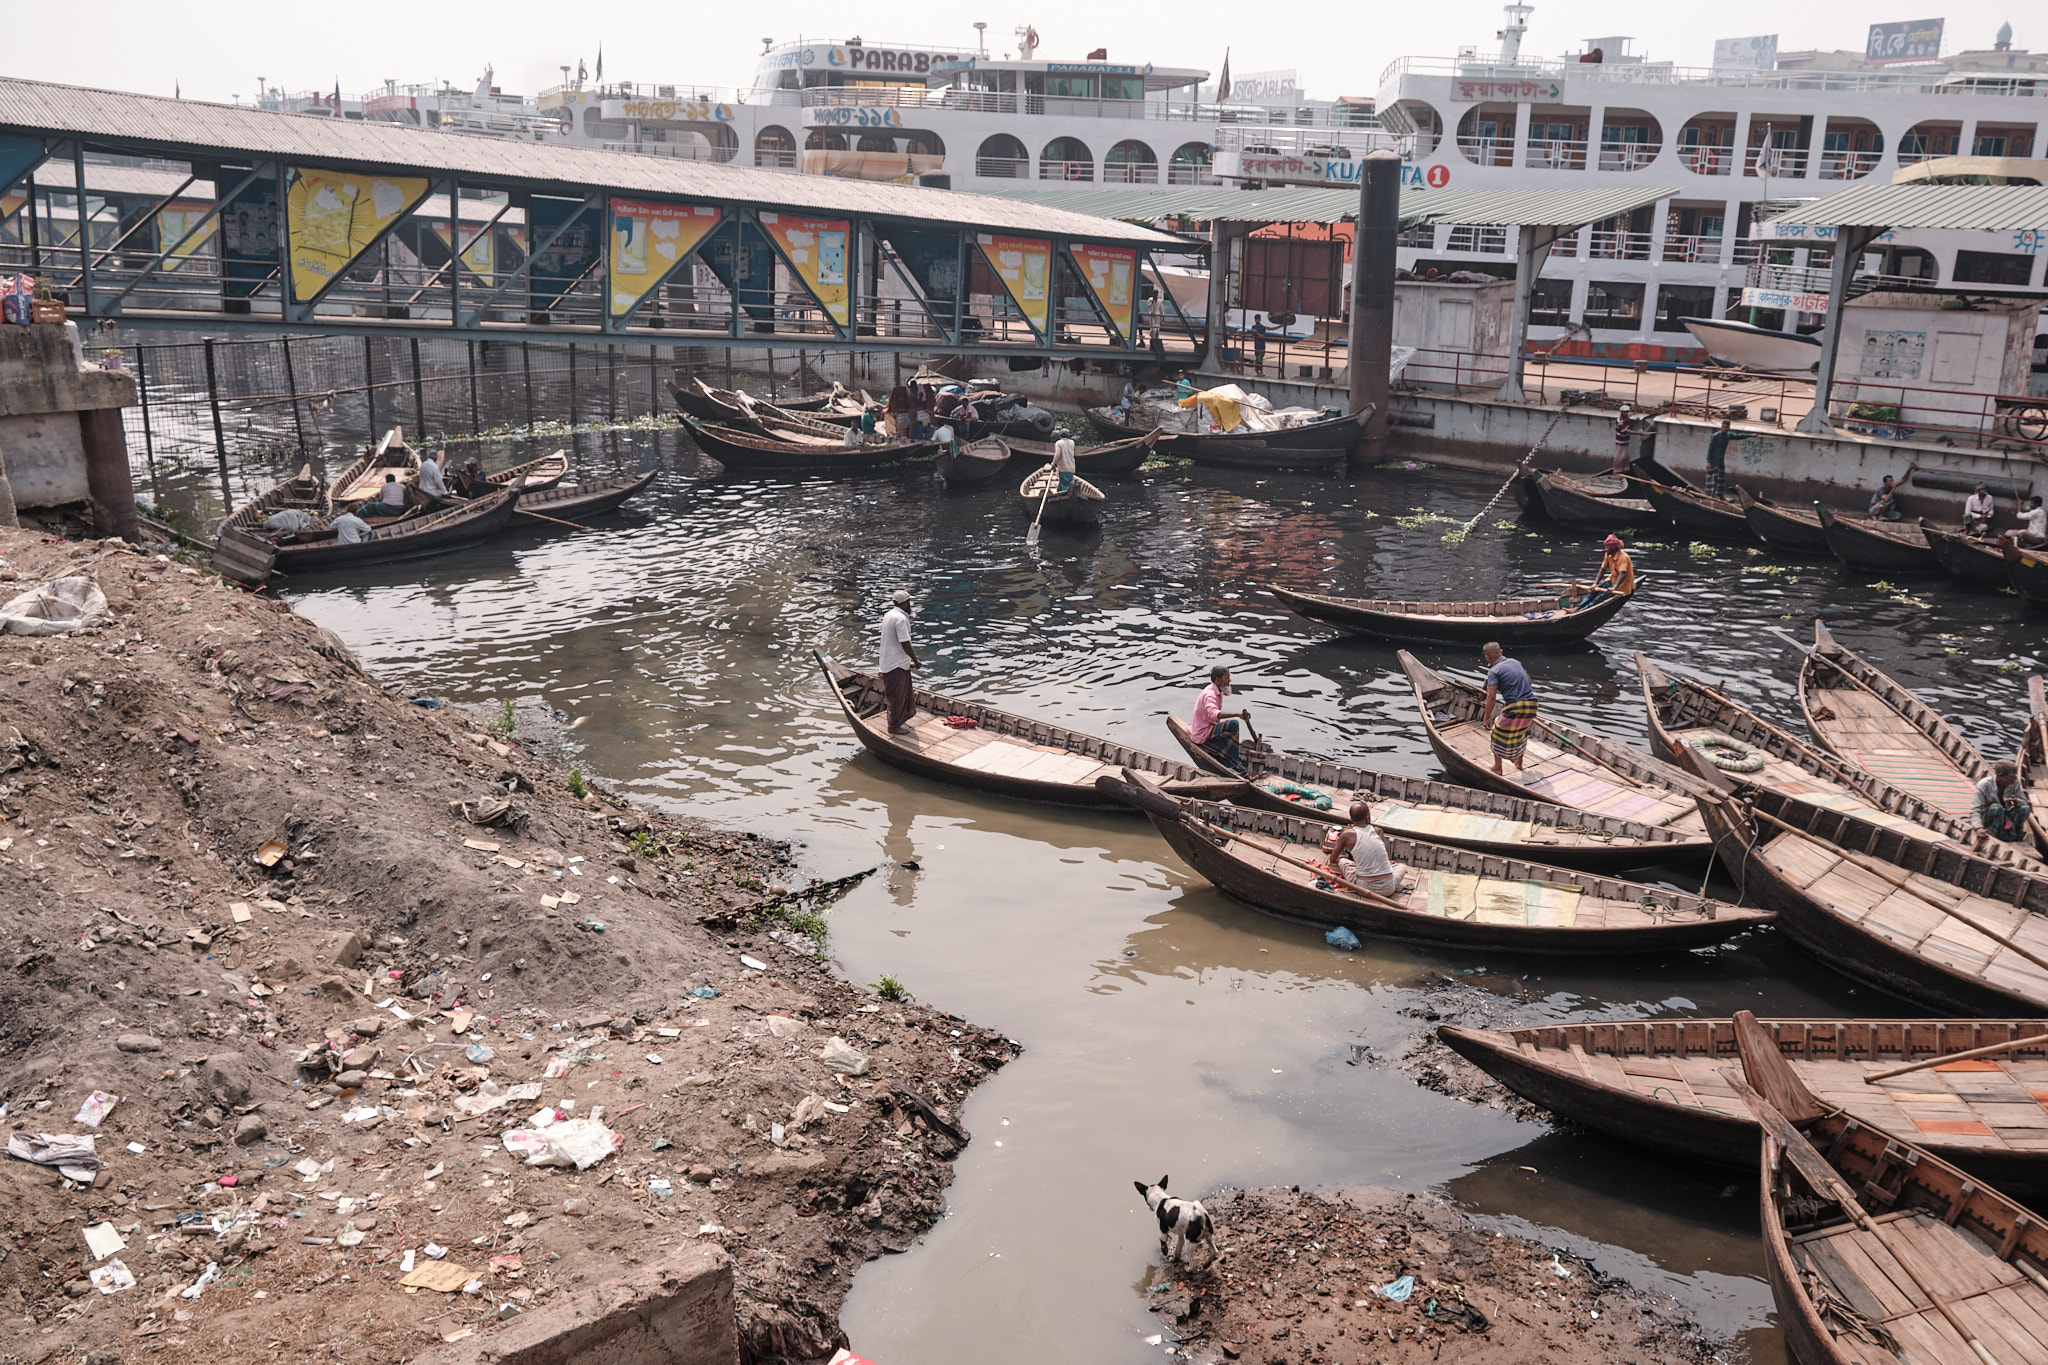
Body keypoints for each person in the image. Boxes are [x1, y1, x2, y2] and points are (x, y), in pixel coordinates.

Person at [1479, 642, 1539, 777]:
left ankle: (1497, 767)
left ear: (1488, 657)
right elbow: (1529, 682)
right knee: (1521, 731)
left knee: (1496, 732)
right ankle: (1519, 762)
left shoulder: (1493, 671)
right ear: (1501, 652)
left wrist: (1486, 718)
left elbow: (1491, 697)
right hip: (1532, 704)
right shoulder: (1515, 662)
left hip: (1515, 706)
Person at [1327, 800, 1407, 897]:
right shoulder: (1378, 831)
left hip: (1364, 887)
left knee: (1343, 861)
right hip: (1388, 888)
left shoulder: (1347, 835)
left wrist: (1340, 858)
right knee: (1402, 867)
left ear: (1351, 819)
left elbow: (1332, 859)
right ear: (1367, 817)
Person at [1191, 665, 1252, 773]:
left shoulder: (1218, 690)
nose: (1229, 680)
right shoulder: (1210, 694)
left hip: (1207, 728)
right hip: (1202, 733)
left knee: (1230, 735)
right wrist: (1237, 714)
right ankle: (1234, 765)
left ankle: (1228, 760)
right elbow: (1213, 714)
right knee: (1233, 724)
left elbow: (1227, 692)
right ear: (1218, 680)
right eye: (1227, 678)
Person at [878, 589, 920, 735]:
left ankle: (897, 721)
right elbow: (905, 643)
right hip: (895, 665)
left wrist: (909, 661)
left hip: (894, 662)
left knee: (902, 696)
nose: (910, 605)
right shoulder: (900, 619)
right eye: (909, 602)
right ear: (905, 603)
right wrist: (915, 660)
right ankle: (893, 726)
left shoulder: (889, 615)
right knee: (897, 697)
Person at [1974, 760, 2033, 845]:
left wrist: (2015, 802)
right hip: (1987, 817)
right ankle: (1992, 835)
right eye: (2012, 776)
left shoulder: (2015, 783)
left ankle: (2017, 837)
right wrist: (1978, 827)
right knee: (1997, 808)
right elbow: (1975, 809)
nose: (2015, 778)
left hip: (2004, 815)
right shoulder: (1984, 785)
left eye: (2015, 775)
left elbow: (2024, 802)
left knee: (2025, 809)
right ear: (2001, 775)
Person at [1703, 419, 1754, 500]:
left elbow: (1738, 436)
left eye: (1726, 427)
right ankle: (1709, 497)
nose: (1724, 429)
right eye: (1723, 427)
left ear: (1728, 428)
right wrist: (1708, 461)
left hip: (1720, 461)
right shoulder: (1715, 436)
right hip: (1713, 461)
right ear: (1721, 427)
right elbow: (1710, 449)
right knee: (1711, 480)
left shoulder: (1728, 435)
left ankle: (1720, 496)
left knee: (1721, 480)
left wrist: (1751, 435)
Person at [1582, 534, 1635, 606]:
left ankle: (1582, 610)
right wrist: (1595, 583)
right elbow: (1602, 569)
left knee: (1599, 598)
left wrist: (1614, 587)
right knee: (1593, 591)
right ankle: (1577, 608)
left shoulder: (1623, 557)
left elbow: (1622, 573)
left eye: (1607, 547)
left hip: (1623, 585)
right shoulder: (1608, 554)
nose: (1605, 549)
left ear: (1613, 547)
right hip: (1612, 580)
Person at [1610, 406, 1636, 475]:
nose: (1626, 413)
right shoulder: (1620, 421)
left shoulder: (1627, 418)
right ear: (1621, 412)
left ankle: (1625, 471)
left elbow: (1629, 425)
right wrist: (1638, 433)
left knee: (1625, 456)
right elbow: (1626, 430)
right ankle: (1616, 472)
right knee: (1619, 456)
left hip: (1626, 440)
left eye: (1627, 412)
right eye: (1625, 412)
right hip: (1621, 441)